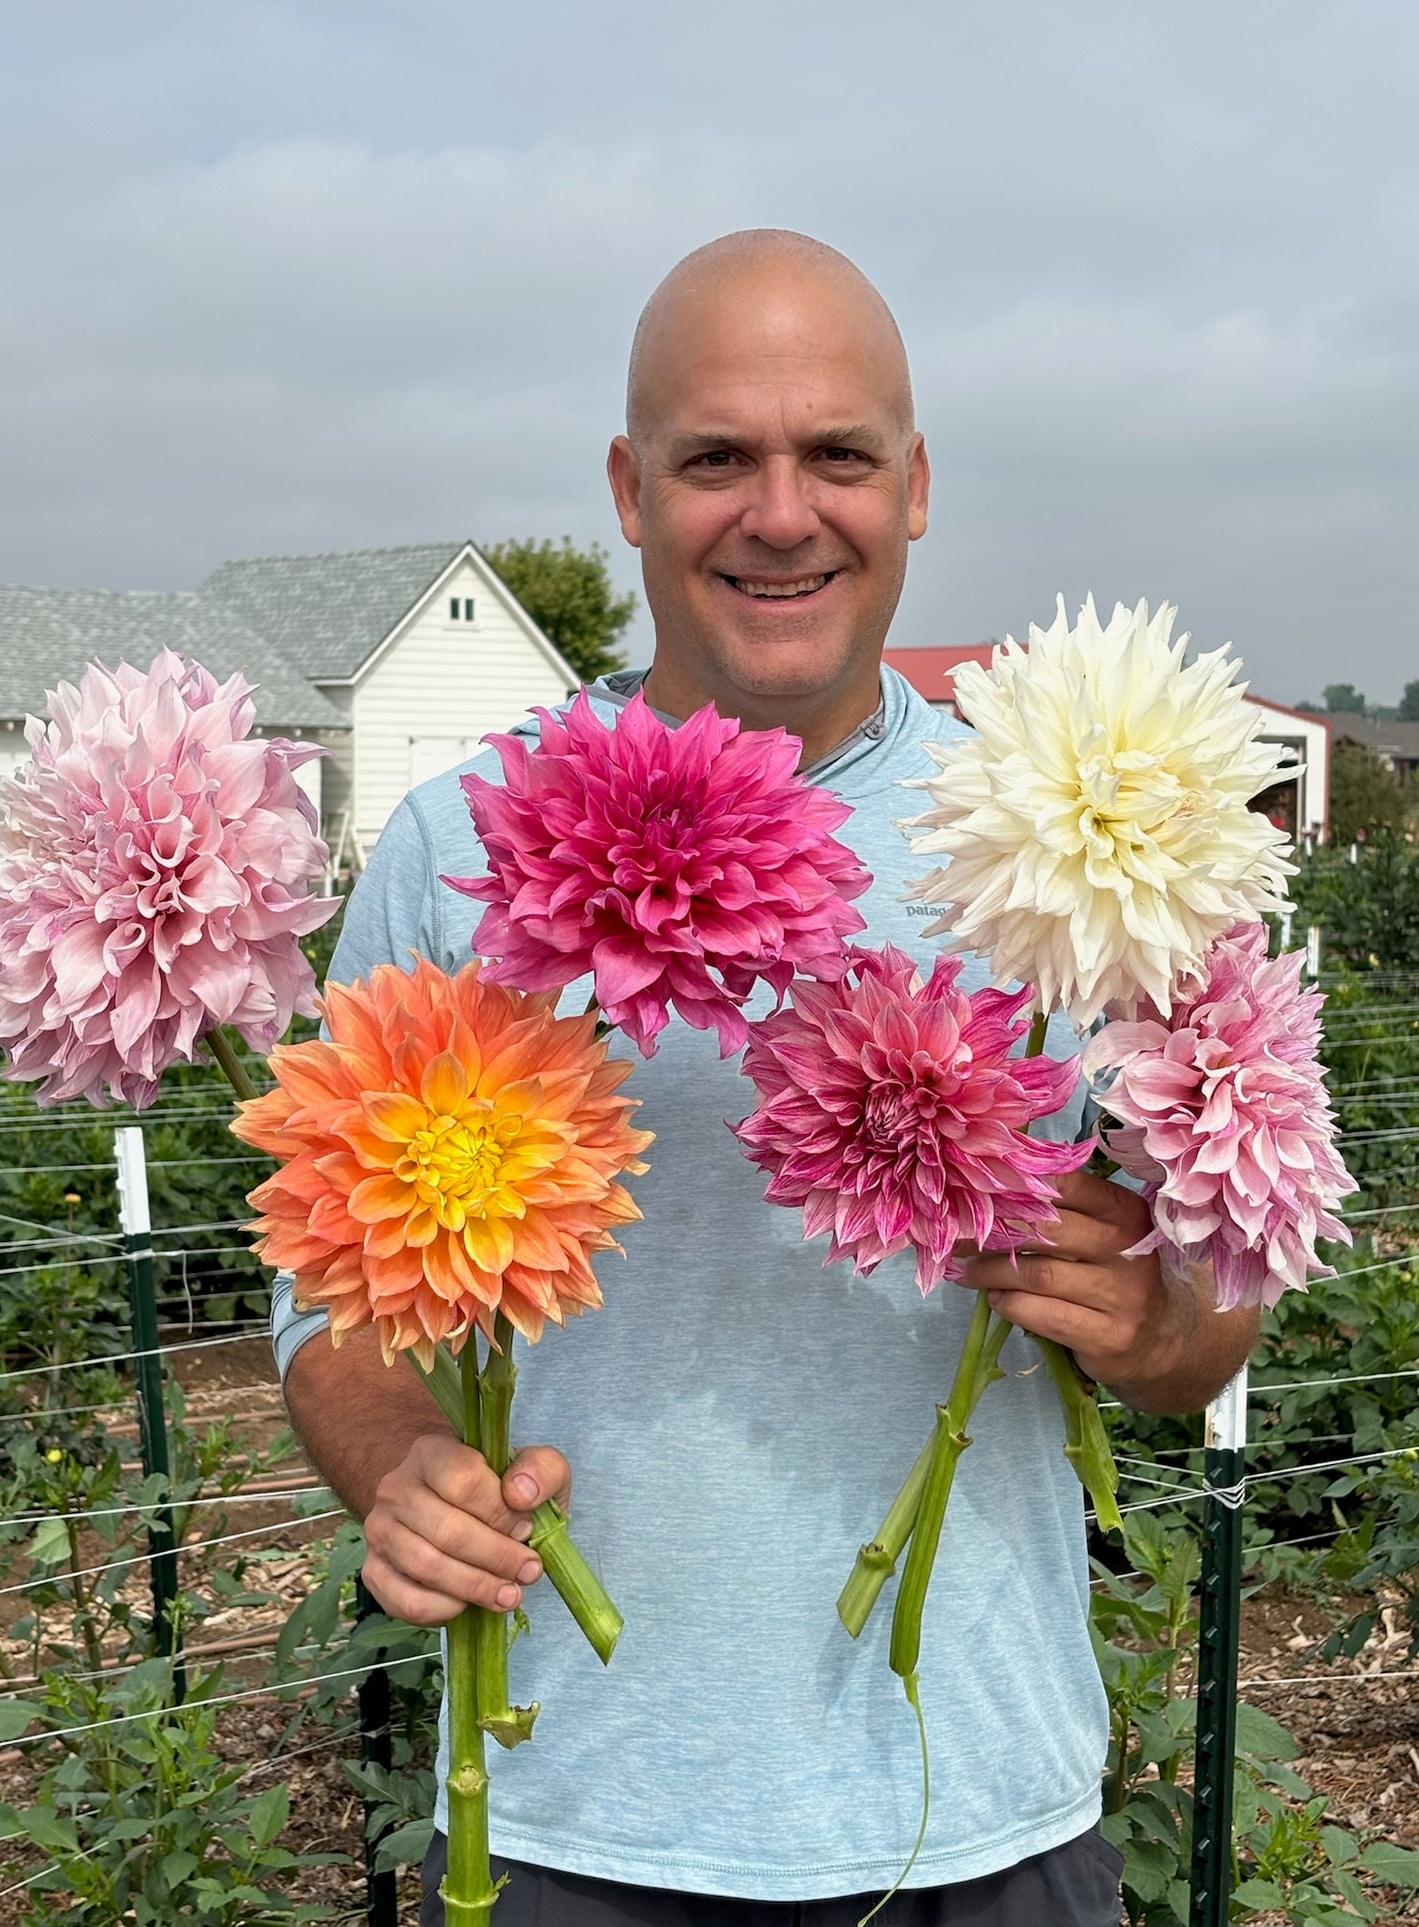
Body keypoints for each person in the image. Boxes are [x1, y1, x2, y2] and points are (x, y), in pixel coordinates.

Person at [273, 229, 1259, 1926]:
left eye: (838, 455)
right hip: (579, 1822)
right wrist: (399, 1467)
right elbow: (326, 1303)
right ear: (628, 488)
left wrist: (1163, 1326)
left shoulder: (1067, 833)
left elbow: (1205, 1307)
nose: (782, 511)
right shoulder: (456, 850)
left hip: (988, 1817)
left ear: (918, 484)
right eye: (716, 456)